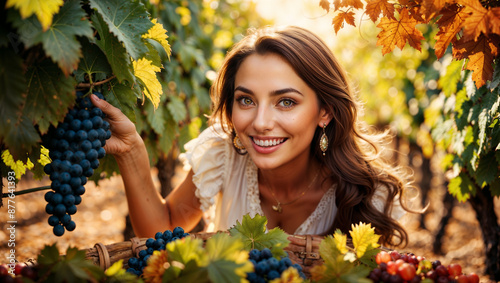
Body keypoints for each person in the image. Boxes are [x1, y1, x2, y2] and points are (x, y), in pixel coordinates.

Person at [90, 25, 416, 248]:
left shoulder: (370, 199)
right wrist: (132, 151)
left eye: (285, 102)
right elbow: (161, 231)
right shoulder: (223, 153)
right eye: (246, 100)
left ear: (325, 112)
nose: (260, 123)